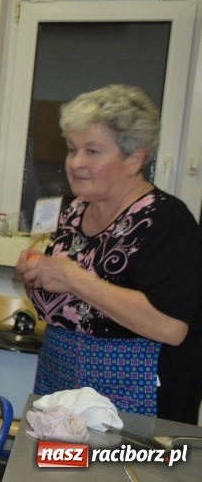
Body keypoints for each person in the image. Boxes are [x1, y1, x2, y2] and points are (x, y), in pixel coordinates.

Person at [16, 84, 202, 424]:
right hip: (59, 380)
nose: (76, 163)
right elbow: (64, 304)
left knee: (119, 474)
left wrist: (72, 276)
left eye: (93, 151)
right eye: (72, 149)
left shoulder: (166, 221)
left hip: (134, 393)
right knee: (58, 474)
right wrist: (36, 275)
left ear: (134, 158)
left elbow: (171, 326)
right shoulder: (74, 212)